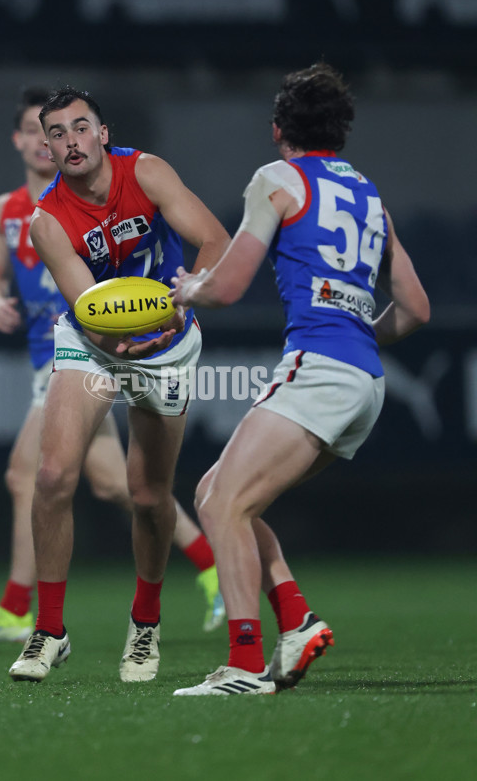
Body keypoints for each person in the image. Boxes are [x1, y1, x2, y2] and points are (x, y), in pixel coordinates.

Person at [169, 62, 430, 695]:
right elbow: (417, 309)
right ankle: (296, 620)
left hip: (319, 367)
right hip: (365, 378)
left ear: (279, 127)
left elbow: (228, 287)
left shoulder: (278, 179)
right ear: (339, 129)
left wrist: (189, 289)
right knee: (219, 493)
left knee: (223, 505)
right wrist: (362, 333)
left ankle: (244, 663)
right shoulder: (369, 194)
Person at [0, 87, 225, 649]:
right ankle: (36, 619)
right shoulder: (24, 216)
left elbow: (215, 241)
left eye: (79, 128)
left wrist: (180, 303)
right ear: (35, 143)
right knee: (74, 480)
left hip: (146, 342)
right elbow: (54, 297)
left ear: (102, 133)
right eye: (49, 132)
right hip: (79, 345)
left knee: (121, 490)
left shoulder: (142, 174)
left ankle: (199, 573)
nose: (63, 141)